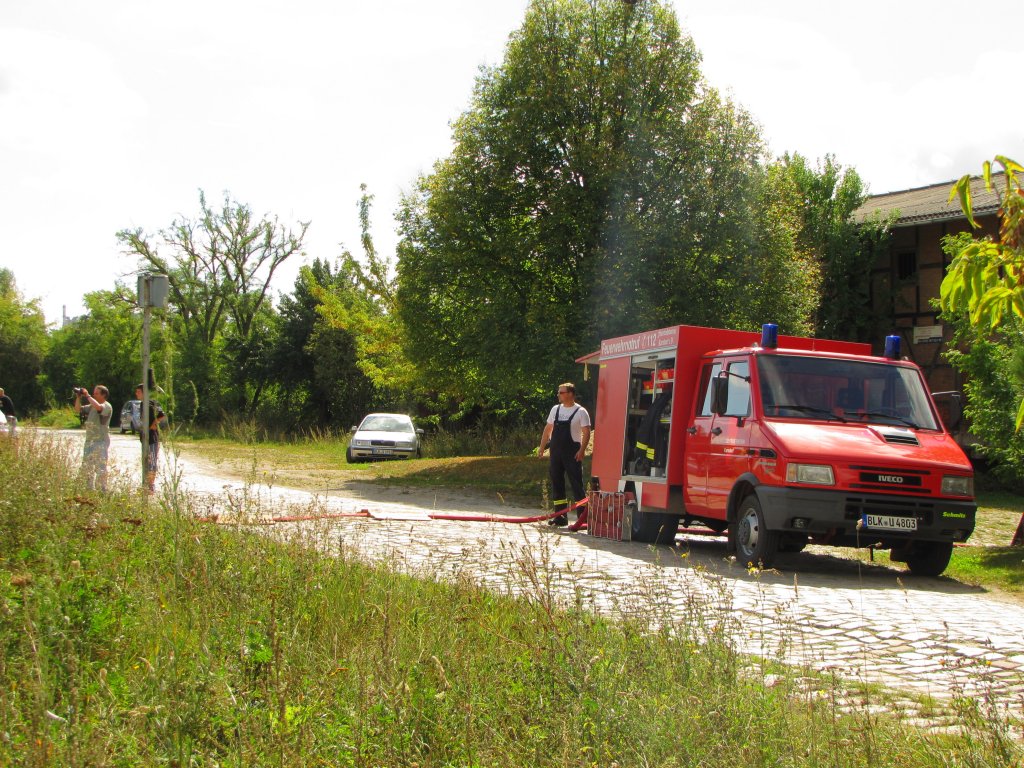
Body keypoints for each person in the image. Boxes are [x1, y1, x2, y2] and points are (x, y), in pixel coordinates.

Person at [538, 382, 591, 529]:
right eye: (558, 392)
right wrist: (542, 447)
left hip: (572, 453)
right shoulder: (555, 409)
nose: (558, 395)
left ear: (570, 394)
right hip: (556, 452)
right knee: (557, 483)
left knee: (576, 484)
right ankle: (560, 517)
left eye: (561, 392)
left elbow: (586, 432)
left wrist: (582, 451)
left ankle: (582, 519)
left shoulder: (581, 412)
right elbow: (548, 429)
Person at [75, 385, 113, 491]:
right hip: (89, 440)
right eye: (93, 393)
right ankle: (89, 490)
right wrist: (78, 397)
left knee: (100, 467)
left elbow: (99, 408)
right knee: (87, 467)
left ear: (103, 395)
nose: (94, 395)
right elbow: (77, 409)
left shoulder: (107, 406)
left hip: (101, 440)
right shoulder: (91, 406)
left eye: (96, 393)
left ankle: (102, 490)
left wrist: (87, 395)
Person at [133, 384, 166, 493]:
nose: (136, 393)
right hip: (145, 438)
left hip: (152, 438)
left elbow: (162, 414)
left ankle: (151, 486)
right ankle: (145, 485)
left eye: (138, 391)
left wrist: (153, 424)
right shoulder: (143, 403)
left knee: (151, 461)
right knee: (146, 461)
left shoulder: (150, 402)